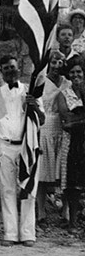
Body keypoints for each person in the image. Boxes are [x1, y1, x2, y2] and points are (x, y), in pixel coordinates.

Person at [0, 56, 45, 246]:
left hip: (27, 145)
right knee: (7, 189)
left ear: (18, 68)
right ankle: (10, 234)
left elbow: (42, 119)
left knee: (28, 189)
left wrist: (34, 105)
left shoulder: (31, 90)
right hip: (5, 145)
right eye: (5, 68)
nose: (10, 71)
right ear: (1, 71)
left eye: (12, 67)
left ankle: (28, 233)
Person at [37, 50, 69, 223]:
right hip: (45, 127)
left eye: (60, 63)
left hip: (63, 128)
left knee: (63, 172)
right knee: (43, 172)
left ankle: (65, 210)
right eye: (54, 62)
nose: (57, 66)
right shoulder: (42, 82)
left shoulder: (67, 82)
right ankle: (41, 210)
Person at [56, 57, 85, 234]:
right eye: (72, 72)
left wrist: (77, 119)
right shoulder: (63, 94)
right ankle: (73, 221)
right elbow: (65, 120)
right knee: (72, 183)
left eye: (79, 72)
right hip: (71, 142)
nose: (75, 75)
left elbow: (73, 119)